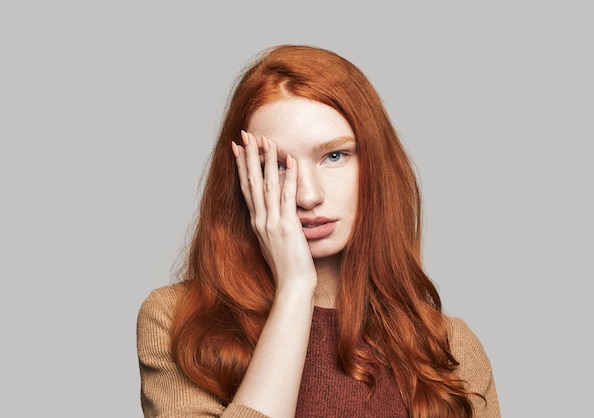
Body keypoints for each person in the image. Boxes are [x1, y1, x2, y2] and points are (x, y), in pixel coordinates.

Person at [136, 44, 500, 418]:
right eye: (276, 165)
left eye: (335, 156)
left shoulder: (448, 346)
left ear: (375, 166)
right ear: (241, 178)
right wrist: (294, 288)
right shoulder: (178, 321)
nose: (308, 196)